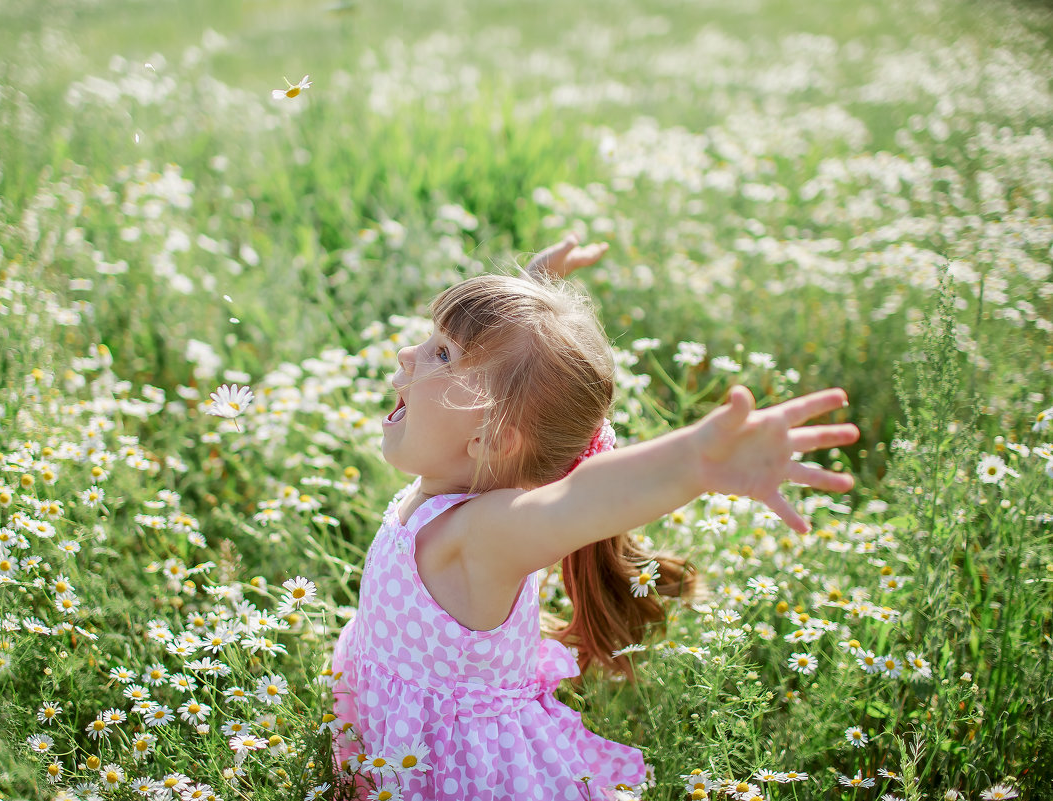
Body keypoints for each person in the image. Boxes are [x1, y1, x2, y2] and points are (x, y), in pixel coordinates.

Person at [330, 235, 859, 800]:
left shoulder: (482, 535)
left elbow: (585, 499)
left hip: (453, 777)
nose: (407, 354)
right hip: (395, 719)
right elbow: (507, 384)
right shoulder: (453, 484)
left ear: (492, 438)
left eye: (442, 354)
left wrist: (695, 461)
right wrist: (534, 287)